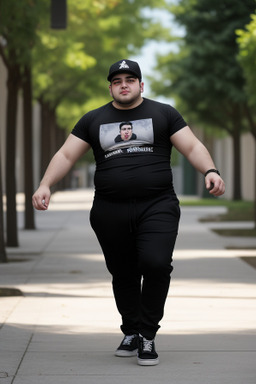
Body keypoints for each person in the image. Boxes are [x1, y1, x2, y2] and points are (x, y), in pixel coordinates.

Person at [32, 59, 225, 366]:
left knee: (156, 263)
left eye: (130, 79)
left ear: (140, 85)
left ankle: (147, 334)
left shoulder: (164, 113)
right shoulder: (92, 119)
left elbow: (191, 146)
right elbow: (66, 154)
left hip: (157, 204)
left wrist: (210, 170)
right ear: (110, 87)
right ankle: (130, 330)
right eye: (117, 80)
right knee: (123, 273)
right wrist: (45, 185)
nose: (124, 84)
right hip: (109, 209)